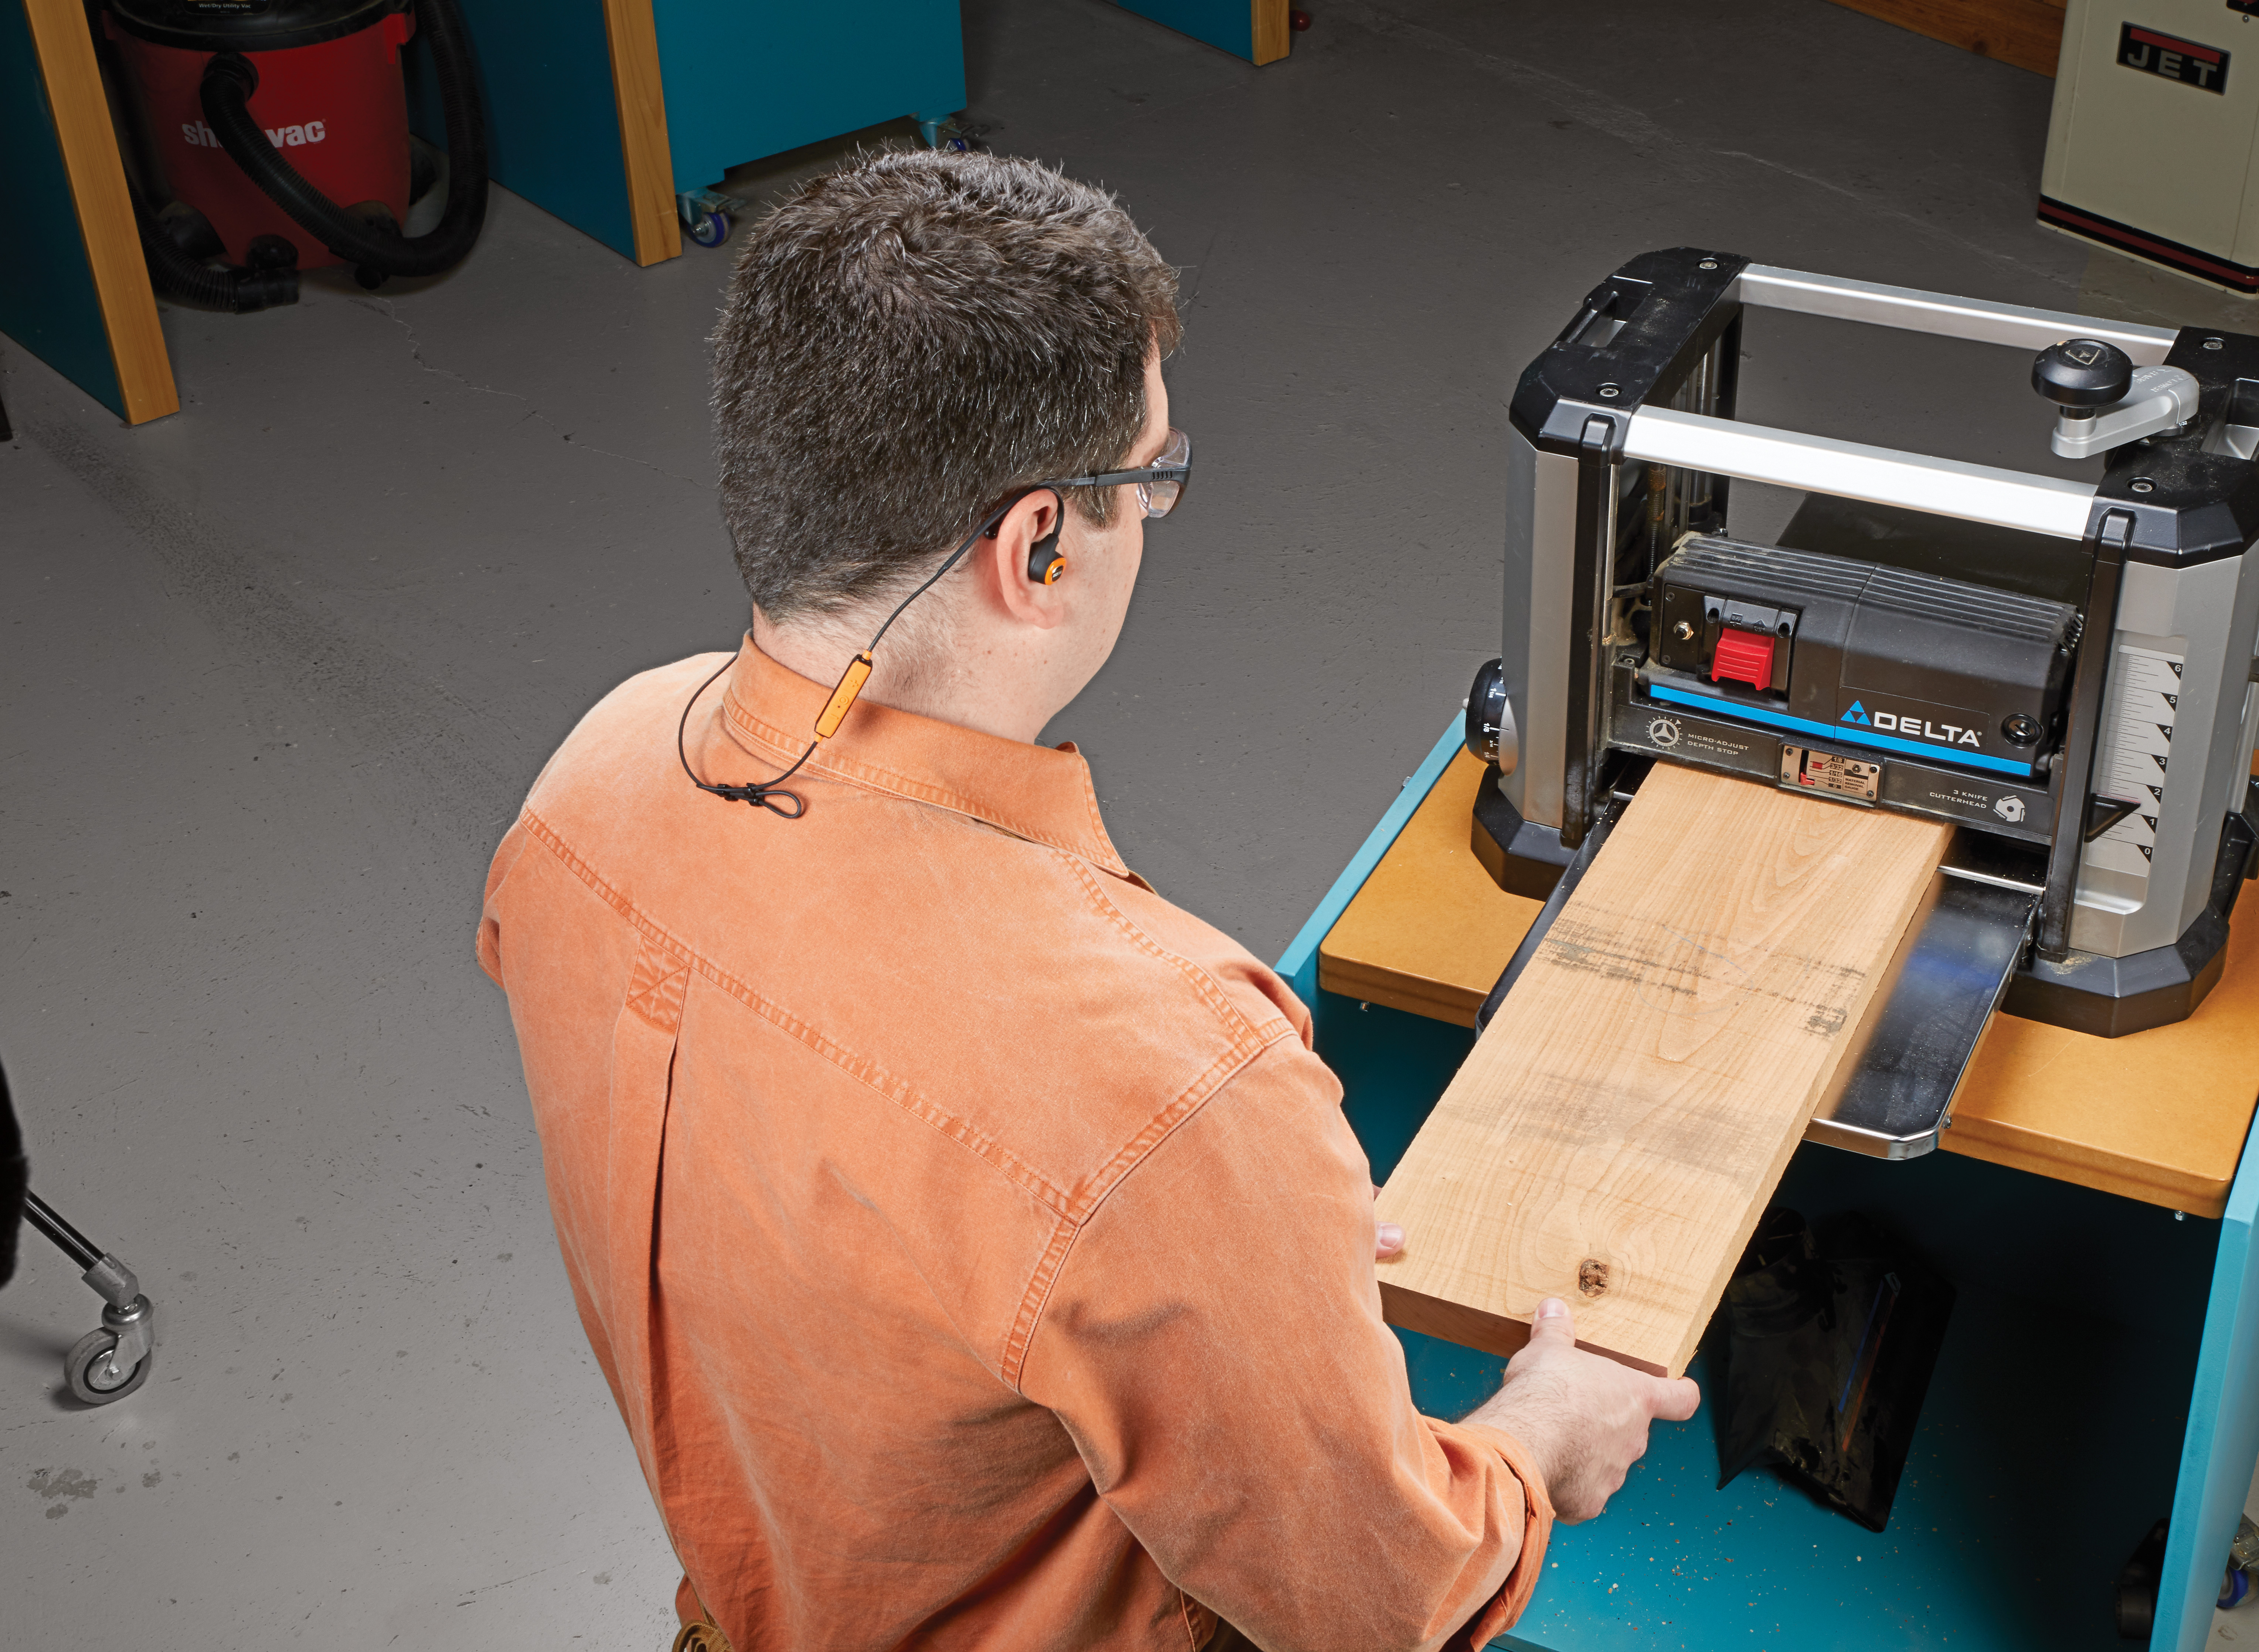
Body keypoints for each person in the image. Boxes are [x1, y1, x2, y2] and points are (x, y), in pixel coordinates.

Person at [476, 149, 1697, 1652]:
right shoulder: (1164, 1074)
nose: (1159, 509)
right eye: (1153, 474)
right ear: (1037, 543)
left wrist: (1208, 1266)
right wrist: (1536, 1437)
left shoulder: (592, 774)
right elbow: (1379, 1603)